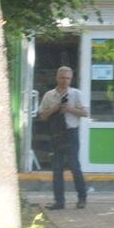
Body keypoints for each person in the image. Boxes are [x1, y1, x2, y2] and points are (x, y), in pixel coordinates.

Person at [36, 66, 89, 210]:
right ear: (57, 78)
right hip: (56, 134)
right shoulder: (49, 95)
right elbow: (41, 116)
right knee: (57, 168)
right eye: (62, 78)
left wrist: (70, 109)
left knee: (74, 166)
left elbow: (85, 113)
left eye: (68, 78)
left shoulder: (76, 94)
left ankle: (82, 198)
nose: (65, 81)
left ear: (71, 79)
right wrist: (55, 108)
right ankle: (59, 201)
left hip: (71, 133)